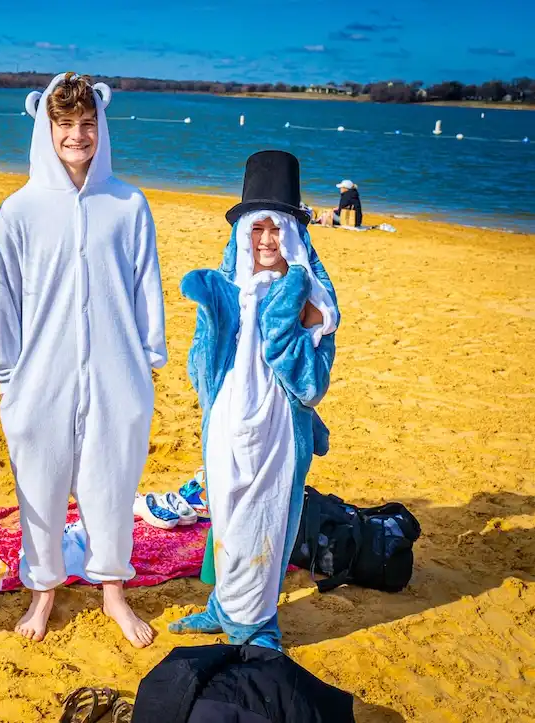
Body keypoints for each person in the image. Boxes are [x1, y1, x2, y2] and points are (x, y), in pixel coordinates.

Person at [0, 72, 167, 648]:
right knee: (38, 485)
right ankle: (43, 592)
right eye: (65, 124)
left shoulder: (128, 203)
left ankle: (113, 590)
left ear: (101, 127)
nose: (78, 134)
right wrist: (9, 374)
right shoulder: (19, 211)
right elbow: (6, 298)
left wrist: (147, 358)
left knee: (112, 481)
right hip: (39, 376)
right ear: (46, 127)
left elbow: (147, 285)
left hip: (119, 372)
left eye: (88, 123)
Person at [169, 150, 339, 651]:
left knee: (265, 522)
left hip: (276, 425)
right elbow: (203, 366)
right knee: (224, 515)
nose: (266, 240)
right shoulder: (232, 285)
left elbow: (310, 384)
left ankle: (259, 625)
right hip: (226, 421)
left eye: (275, 229)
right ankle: (222, 607)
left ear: (291, 232)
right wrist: (211, 319)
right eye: (257, 229)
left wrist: (286, 305)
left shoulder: (313, 298)